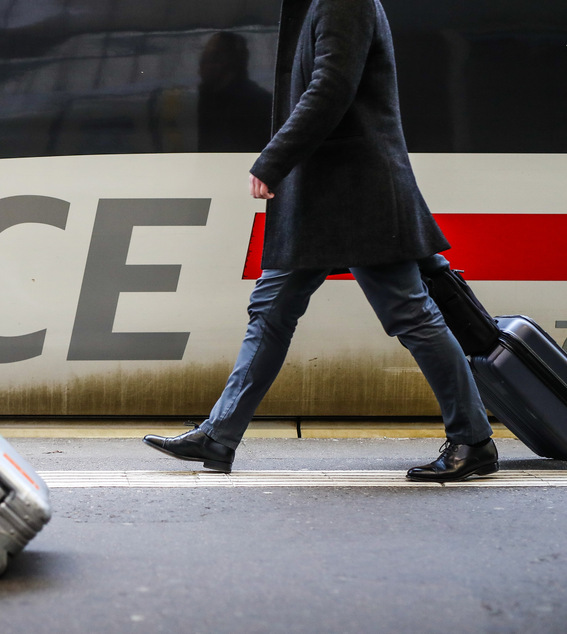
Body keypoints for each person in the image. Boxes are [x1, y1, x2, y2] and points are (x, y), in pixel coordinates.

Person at [143, 0, 498, 483]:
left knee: (410, 314)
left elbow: (331, 87)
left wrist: (273, 159)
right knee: (270, 311)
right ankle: (218, 434)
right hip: (319, 195)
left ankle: (474, 440)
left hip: (359, 191)